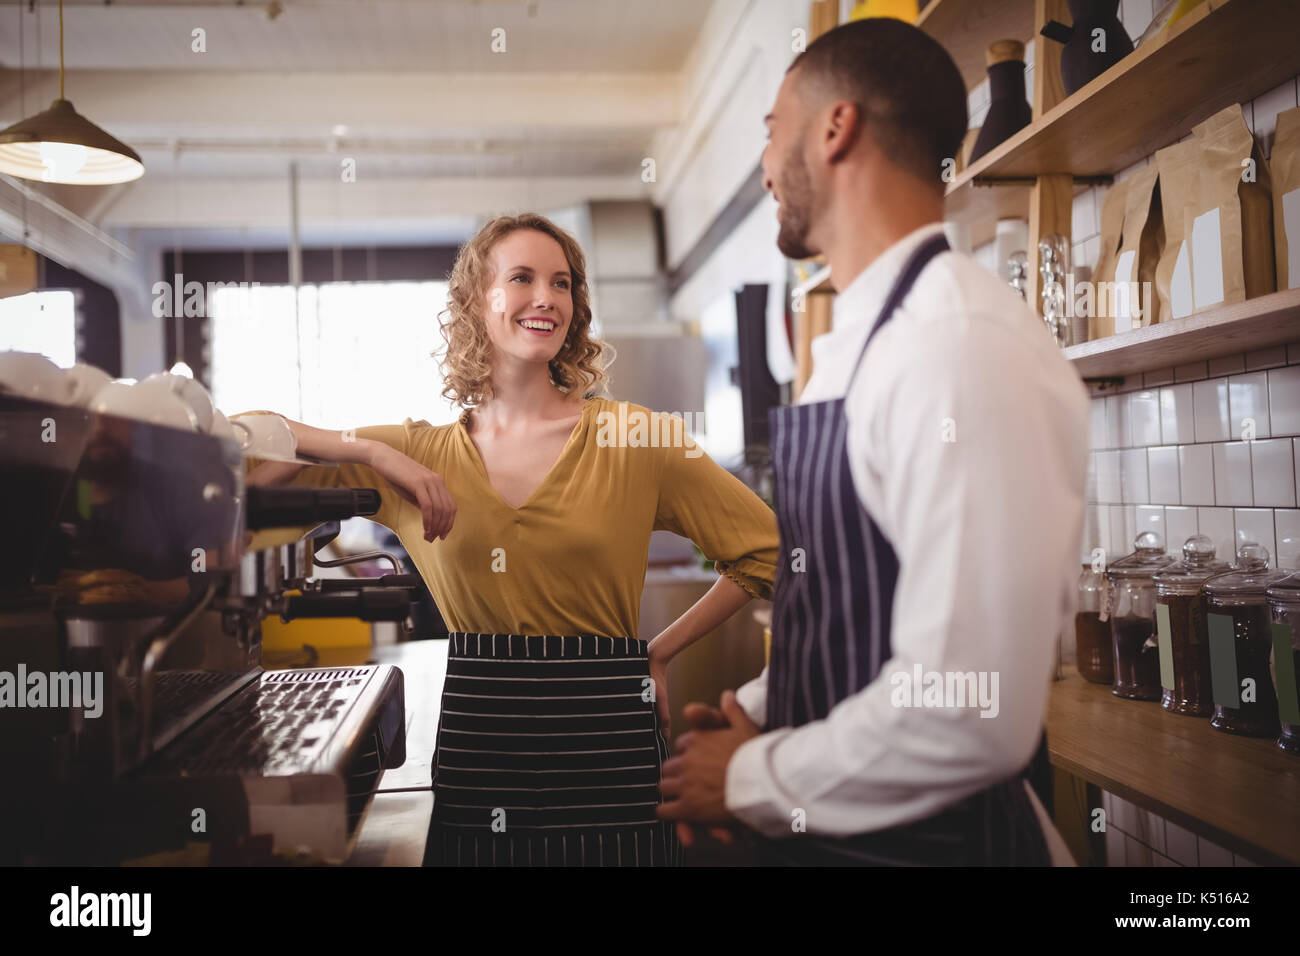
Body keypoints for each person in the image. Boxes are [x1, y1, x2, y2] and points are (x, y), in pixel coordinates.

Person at [658, 18, 1089, 865]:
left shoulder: (959, 343)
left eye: (771, 131)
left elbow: (970, 709)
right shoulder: (852, 347)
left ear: (834, 127)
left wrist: (748, 778)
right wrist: (763, 705)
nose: (765, 164)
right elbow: (854, 610)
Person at [241, 212, 778, 867]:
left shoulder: (634, 436)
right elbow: (241, 449)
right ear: (475, 300)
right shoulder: (418, 453)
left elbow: (770, 552)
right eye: (522, 277)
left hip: (611, 754)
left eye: (563, 283)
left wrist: (659, 653)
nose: (546, 297)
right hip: (481, 757)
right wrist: (375, 456)